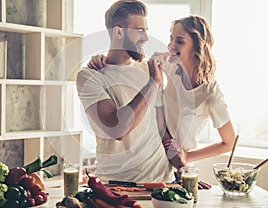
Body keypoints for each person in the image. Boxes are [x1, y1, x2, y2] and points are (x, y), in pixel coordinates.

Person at [87, 15, 237, 181]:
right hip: (155, 163)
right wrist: (102, 60)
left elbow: (229, 142)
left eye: (179, 41)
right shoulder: (169, 66)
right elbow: (129, 62)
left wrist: (186, 157)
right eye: (171, 38)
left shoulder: (210, 93)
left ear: (198, 47)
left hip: (178, 169)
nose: (171, 45)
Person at [76, 0, 175, 183]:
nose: (146, 37)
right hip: (117, 184)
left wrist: (181, 161)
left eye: (146, 30)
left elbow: (162, 125)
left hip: (162, 181)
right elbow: (117, 129)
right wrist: (152, 83)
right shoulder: (90, 76)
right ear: (118, 32)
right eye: (139, 31)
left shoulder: (151, 69)